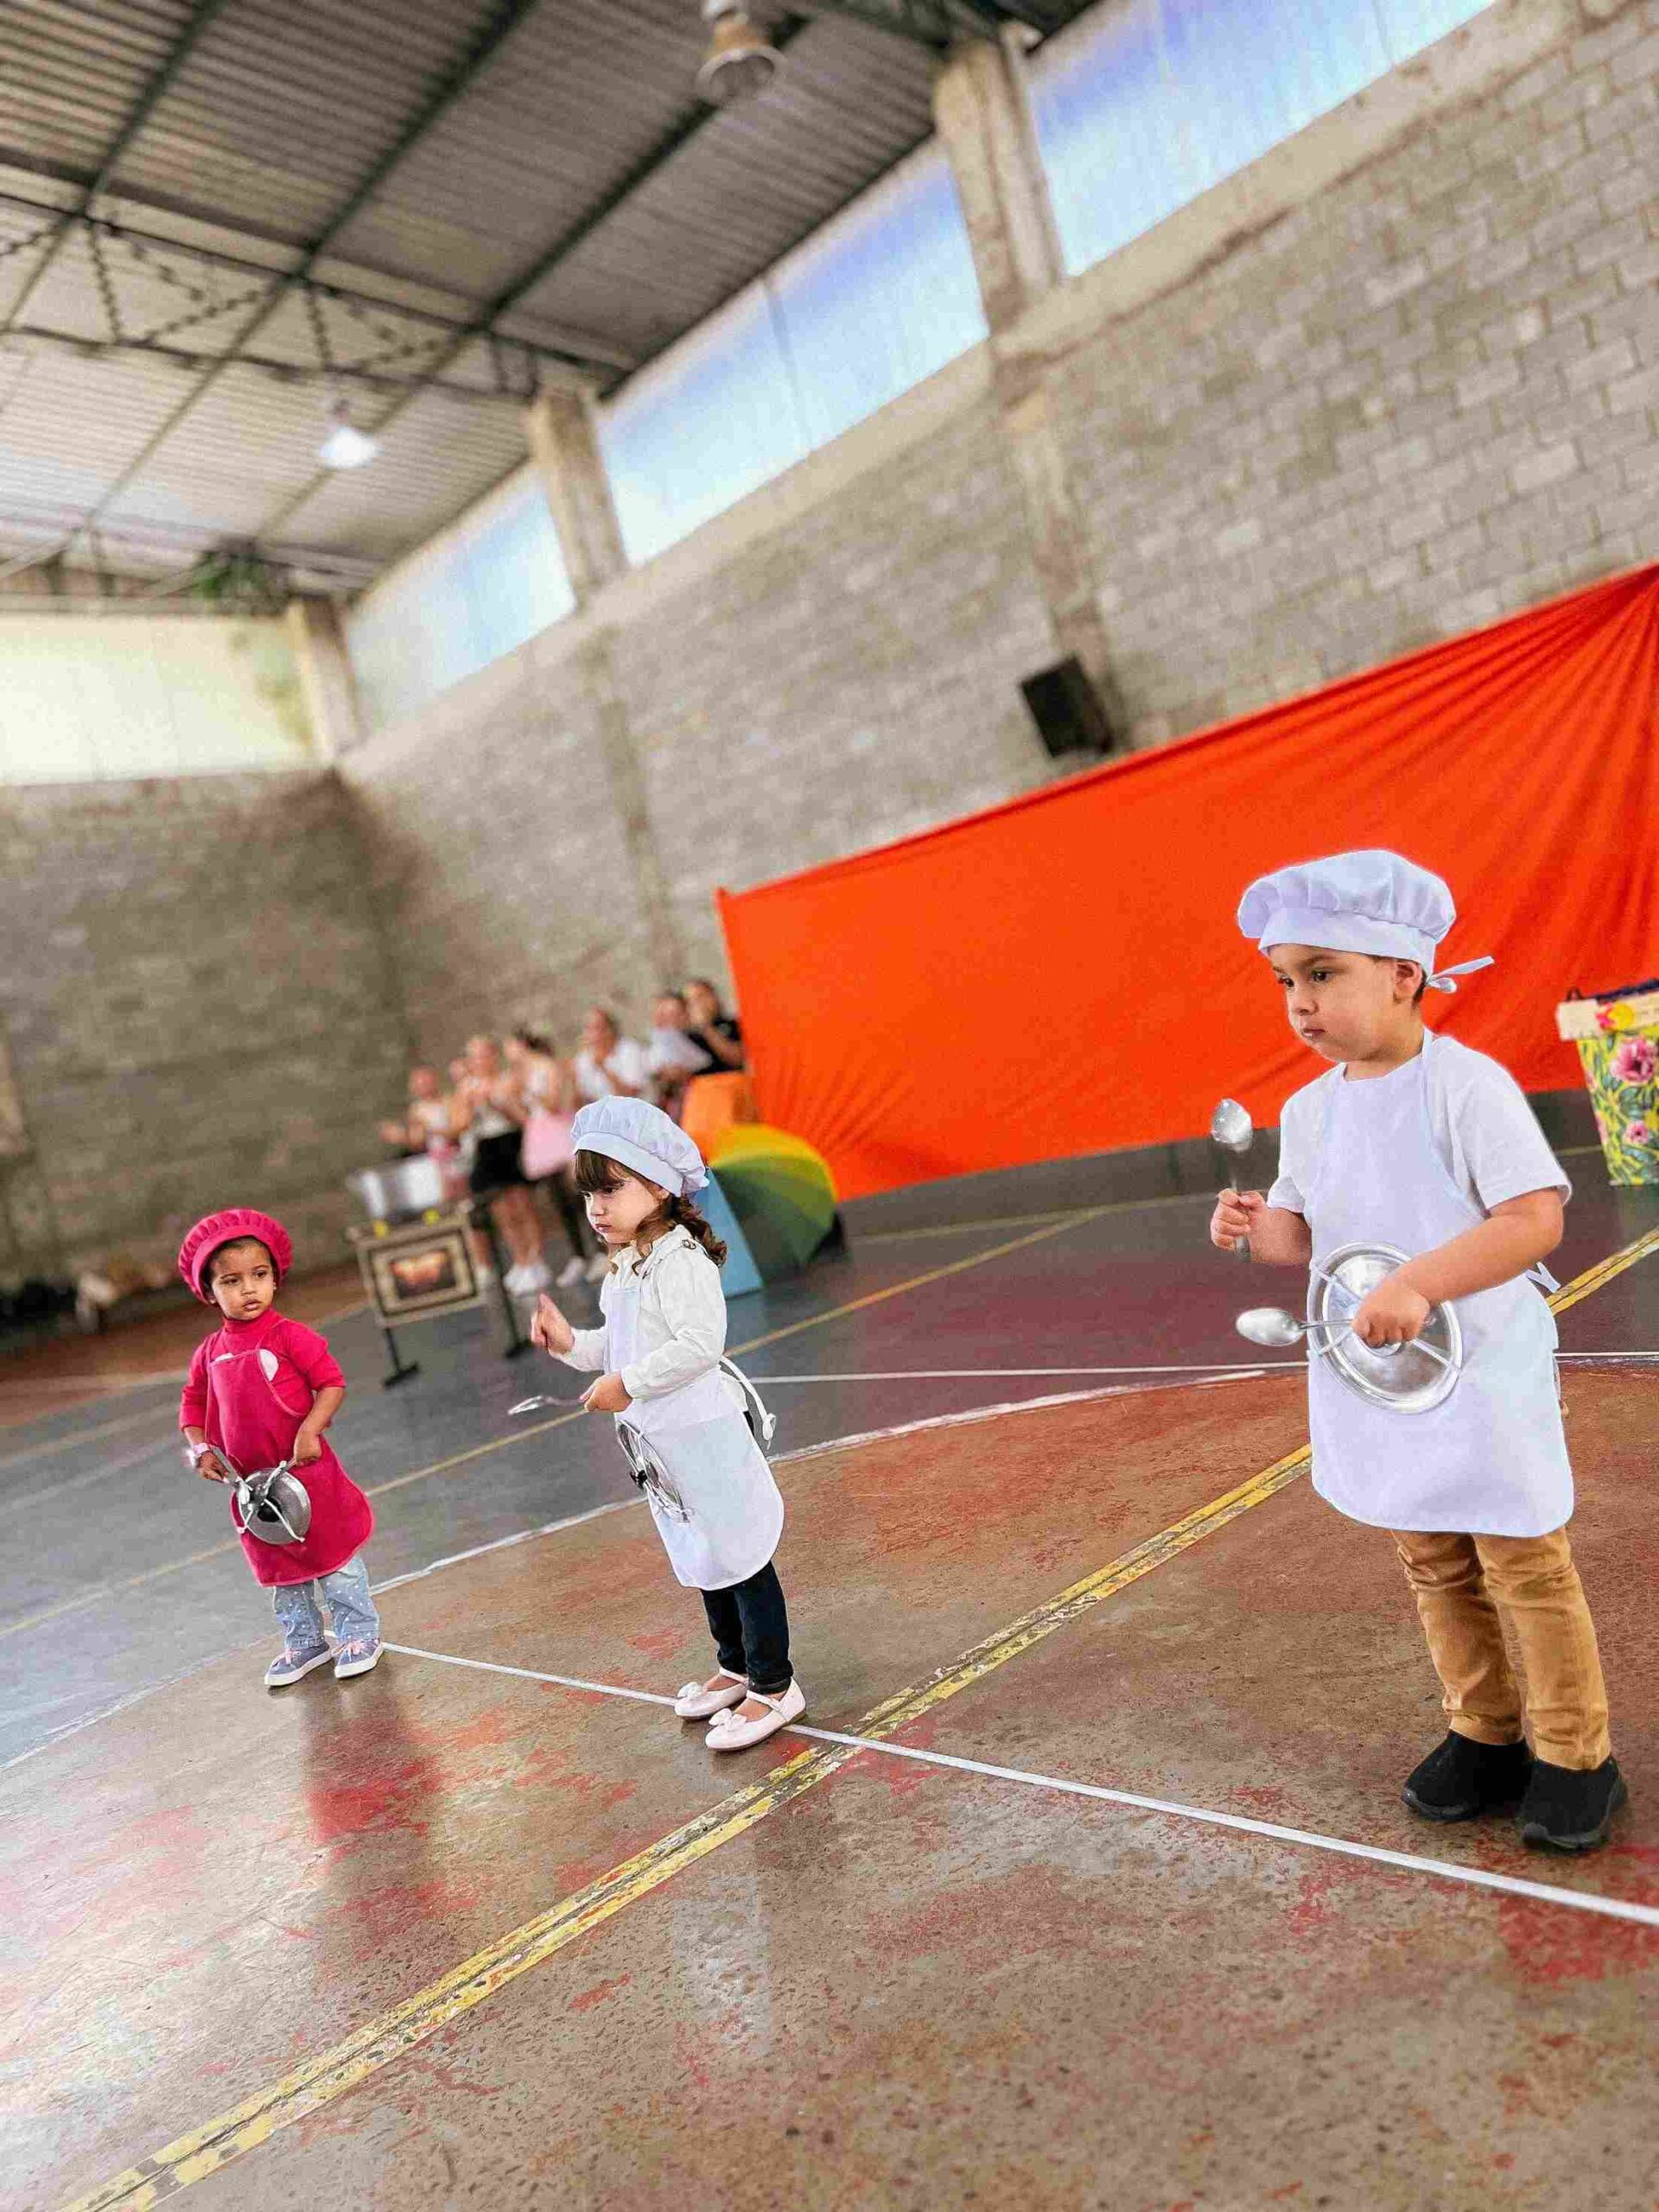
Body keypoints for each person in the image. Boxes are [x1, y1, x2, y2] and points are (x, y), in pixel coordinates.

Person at [1212, 850, 1624, 1853]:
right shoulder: (1310, 1111)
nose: (1300, 1002)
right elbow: (1306, 1235)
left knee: (1523, 1557)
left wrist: (1421, 1283)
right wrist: (1254, 1225)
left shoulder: (1464, 1086)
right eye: (1285, 981)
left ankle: (1578, 1754)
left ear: (1403, 972)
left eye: (1323, 972)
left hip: (1477, 1364)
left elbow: (1533, 1221)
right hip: (1384, 1374)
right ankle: (1484, 1732)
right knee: (1432, 1555)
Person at [530, 1098, 803, 1751]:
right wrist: (571, 1344)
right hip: (665, 1445)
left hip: (702, 1435)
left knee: (741, 1556)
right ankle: (734, 1666)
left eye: (611, 1188)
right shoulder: (627, 1260)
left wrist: (628, 1385)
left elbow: (698, 1346)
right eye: (589, 1193)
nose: (597, 1207)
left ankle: (775, 1685)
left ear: (658, 1184)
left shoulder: (679, 1258)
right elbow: (618, 1347)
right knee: (704, 1555)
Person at [176, 1208, 381, 1688]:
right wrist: (200, 1448)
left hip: (305, 1473)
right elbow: (191, 1404)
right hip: (253, 1489)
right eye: (231, 1281)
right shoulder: (209, 1353)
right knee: (279, 1567)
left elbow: (330, 1383)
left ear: (275, 1278)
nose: (248, 1289)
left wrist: (311, 1429)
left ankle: (360, 1632)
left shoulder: (290, 1337)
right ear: (209, 1291)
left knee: (333, 1558)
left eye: (259, 1275)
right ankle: (305, 1641)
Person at [506, 1028, 607, 1287]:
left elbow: (553, 1103)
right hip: (539, 1134)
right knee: (556, 1198)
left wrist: (529, 1090)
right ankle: (577, 1254)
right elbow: (524, 1114)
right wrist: (514, 1097)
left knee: (577, 1192)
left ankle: (598, 1249)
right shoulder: (519, 1075)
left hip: (559, 1129)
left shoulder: (549, 1066)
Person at [454, 1034, 548, 1295]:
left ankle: (536, 1258)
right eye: (475, 1056)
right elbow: (459, 1124)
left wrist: (497, 1103)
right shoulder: (467, 1088)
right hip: (486, 1145)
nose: (481, 1061)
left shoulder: (509, 1081)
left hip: (509, 1141)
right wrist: (473, 1107)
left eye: (485, 1054)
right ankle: (520, 1259)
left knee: (523, 1205)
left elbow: (523, 1117)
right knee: (502, 1211)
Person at [645, 991, 714, 1118]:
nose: (667, 1020)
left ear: (685, 1015)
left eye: (673, 1014)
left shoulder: (700, 1038)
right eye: (663, 1014)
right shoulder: (658, 1042)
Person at [573, 1007, 651, 1103]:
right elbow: (581, 1101)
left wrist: (604, 1068)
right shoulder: (584, 1058)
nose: (591, 1035)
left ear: (610, 1031)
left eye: (597, 1028)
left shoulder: (630, 1050)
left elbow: (631, 1095)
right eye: (588, 1029)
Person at [684, 978, 746, 1070]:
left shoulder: (734, 1024)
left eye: (701, 996)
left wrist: (706, 1027)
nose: (697, 1004)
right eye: (691, 1001)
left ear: (714, 997)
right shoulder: (687, 1035)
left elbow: (738, 1060)